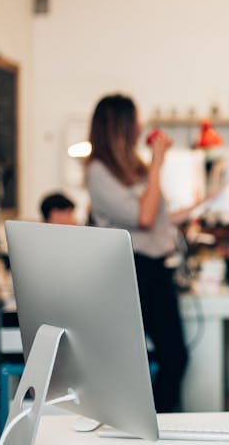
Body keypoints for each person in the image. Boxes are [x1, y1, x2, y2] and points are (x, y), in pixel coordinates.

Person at [85, 94, 188, 412]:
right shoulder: (99, 172)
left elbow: (156, 217)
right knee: (132, 363)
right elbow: (143, 217)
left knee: (176, 357)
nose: (140, 126)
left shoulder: (135, 169)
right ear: (121, 126)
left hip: (155, 269)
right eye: (135, 120)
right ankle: (142, 426)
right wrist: (157, 162)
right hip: (128, 271)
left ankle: (157, 425)